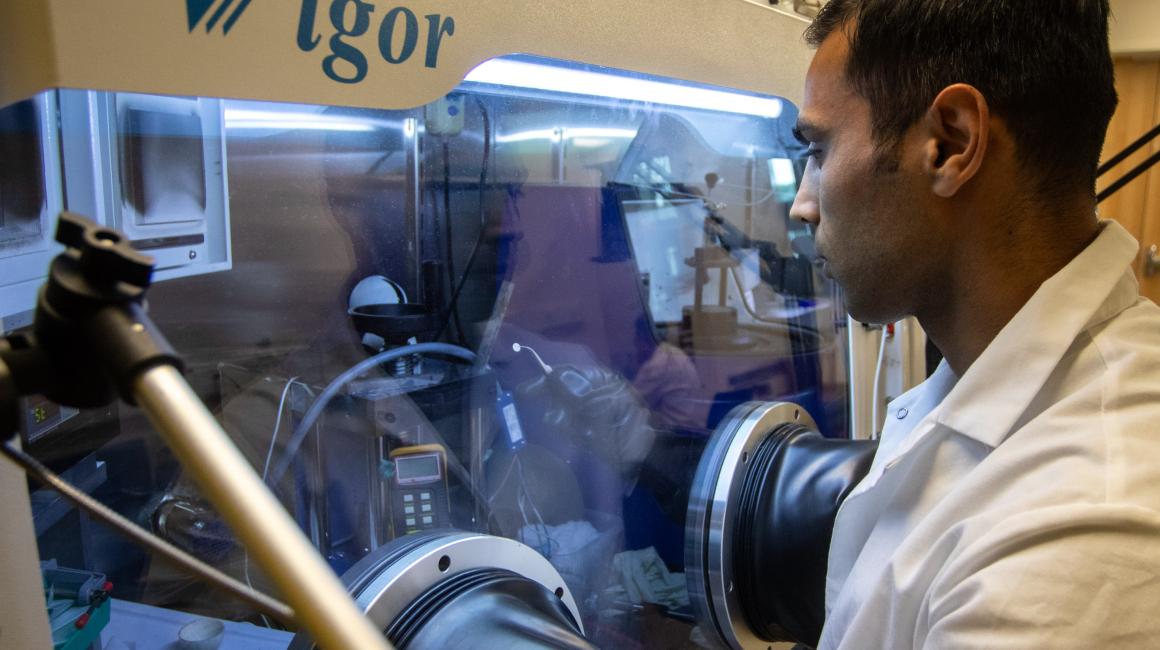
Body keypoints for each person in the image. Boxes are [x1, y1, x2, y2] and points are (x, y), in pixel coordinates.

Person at [787, 1, 1160, 648]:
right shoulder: (989, 379)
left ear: (951, 144)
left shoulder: (1077, 532)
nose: (802, 205)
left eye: (819, 150)